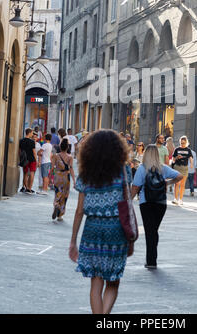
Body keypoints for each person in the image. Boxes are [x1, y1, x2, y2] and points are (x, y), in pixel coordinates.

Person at [69, 130, 131, 314]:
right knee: (113, 281)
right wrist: (131, 238)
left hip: (92, 229)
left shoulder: (86, 172)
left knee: (96, 283)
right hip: (116, 228)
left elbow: (79, 211)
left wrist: (73, 240)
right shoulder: (123, 170)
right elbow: (127, 203)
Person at [131, 144, 183, 269]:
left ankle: (151, 261)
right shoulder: (163, 168)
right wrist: (167, 183)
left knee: (150, 231)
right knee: (154, 230)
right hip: (160, 203)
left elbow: (136, 187)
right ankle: (152, 258)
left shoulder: (142, 169)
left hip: (146, 202)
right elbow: (179, 176)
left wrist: (128, 201)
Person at [51, 138, 75, 221]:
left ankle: (56, 203)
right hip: (66, 177)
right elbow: (71, 168)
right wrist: (74, 181)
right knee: (64, 196)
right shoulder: (70, 157)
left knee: (57, 192)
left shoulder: (55, 156)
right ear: (67, 147)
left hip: (58, 176)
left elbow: (52, 168)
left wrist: (50, 177)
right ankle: (60, 215)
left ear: (60, 147)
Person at [172, 136, 193, 205]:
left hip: (184, 168)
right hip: (177, 167)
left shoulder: (188, 150)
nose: (182, 144)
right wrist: (177, 157)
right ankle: (175, 199)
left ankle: (180, 199)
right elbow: (173, 160)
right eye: (181, 143)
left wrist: (191, 164)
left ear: (186, 143)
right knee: (177, 183)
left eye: (183, 143)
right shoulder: (177, 149)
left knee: (183, 184)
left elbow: (190, 158)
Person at [19, 128, 37, 194]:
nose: (32, 134)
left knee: (25, 173)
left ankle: (26, 187)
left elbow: (20, 151)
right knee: (32, 173)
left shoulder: (21, 140)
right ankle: (29, 188)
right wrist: (36, 160)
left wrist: (20, 158)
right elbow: (34, 152)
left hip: (24, 159)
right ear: (29, 133)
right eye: (32, 133)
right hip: (32, 159)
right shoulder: (32, 142)